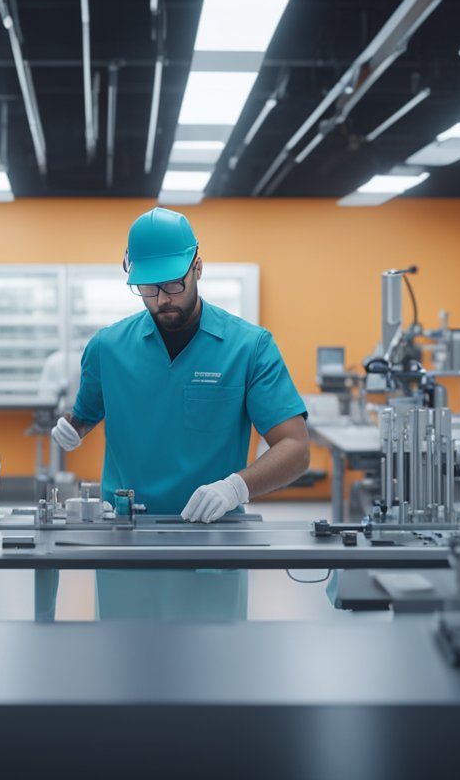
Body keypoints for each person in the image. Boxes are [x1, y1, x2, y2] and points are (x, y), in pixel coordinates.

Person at [49, 206, 311, 618]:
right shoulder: (107, 347)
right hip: (124, 539)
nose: (162, 299)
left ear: (198, 268)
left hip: (212, 538)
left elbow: (295, 448)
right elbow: (87, 412)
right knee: (123, 663)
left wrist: (235, 488)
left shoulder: (249, 347)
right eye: (148, 288)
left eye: (172, 283)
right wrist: (72, 427)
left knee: (212, 669)